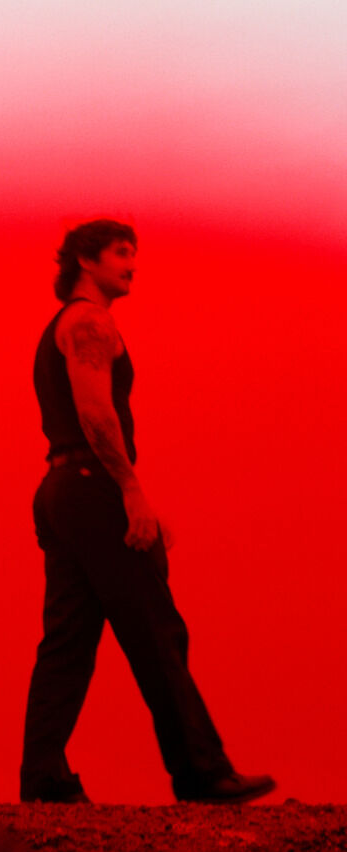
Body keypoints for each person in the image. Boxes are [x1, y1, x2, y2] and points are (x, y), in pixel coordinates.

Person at [20, 219, 274, 804]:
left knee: (67, 641)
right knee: (157, 629)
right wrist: (131, 491)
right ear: (87, 260)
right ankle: (202, 772)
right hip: (91, 486)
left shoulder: (65, 325)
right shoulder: (89, 323)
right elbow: (95, 412)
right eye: (121, 252)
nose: (133, 263)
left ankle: (43, 778)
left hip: (62, 487)